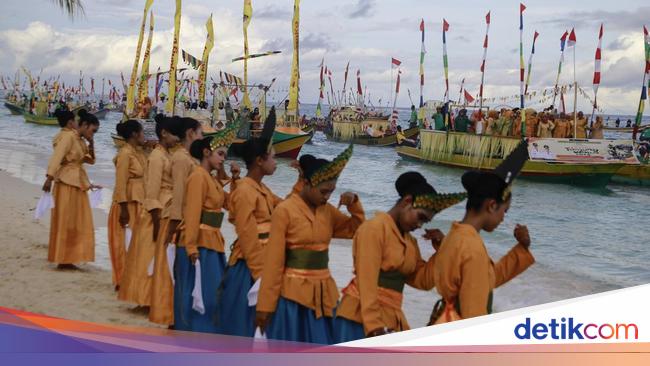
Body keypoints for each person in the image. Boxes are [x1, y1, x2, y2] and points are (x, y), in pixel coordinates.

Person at [335, 172, 466, 342]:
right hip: (359, 317)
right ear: (407, 202)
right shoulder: (374, 229)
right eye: (420, 217)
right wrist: (374, 327)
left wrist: (442, 250)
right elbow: (366, 281)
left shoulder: (410, 241)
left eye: (425, 222)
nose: (419, 225)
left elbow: (423, 281)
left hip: (390, 318)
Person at [255, 145, 365, 344]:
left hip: (324, 295)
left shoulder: (328, 211)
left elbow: (355, 229)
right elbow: (273, 263)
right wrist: (265, 305)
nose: (327, 197)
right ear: (306, 183)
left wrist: (354, 204)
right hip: (292, 295)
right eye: (323, 191)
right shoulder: (285, 211)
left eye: (331, 192)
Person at [430, 142, 535, 324]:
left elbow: (486, 279)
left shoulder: (455, 236)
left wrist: (522, 248)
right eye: (504, 211)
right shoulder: (472, 248)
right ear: (492, 206)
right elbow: (474, 314)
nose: (503, 218)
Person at [218, 112, 303, 337]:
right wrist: (260, 274)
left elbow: (286, 208)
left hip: (265, 261)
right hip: (250, 264)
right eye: (272, 157)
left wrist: (302, 181)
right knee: (243, 323)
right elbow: (246, 235)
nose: (276, 162)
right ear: (259, 161)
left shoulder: (263, 189)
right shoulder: (245, 191)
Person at [174, 124, 241, 333]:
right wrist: (191, 246)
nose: (223, 159)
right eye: (220, 154)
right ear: (206, 152)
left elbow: (230, 204)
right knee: (197, 291)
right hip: (199, 243)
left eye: (224, 155)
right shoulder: (197, 177)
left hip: (212, 241)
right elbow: (192, 214)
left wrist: (236, 181)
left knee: (211, 291)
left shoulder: (211, 179)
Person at [118, 116, 178, 308]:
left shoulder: (158, 153)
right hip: (153, 210)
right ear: (164, 133)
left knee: (154, 256)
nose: (176, 138)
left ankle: (154, 297)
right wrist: (124, 206)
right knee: (147, 254)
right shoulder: (155, 156)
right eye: (174, 134)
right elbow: (151, 190)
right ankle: (144, 298)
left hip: (158, 206)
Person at [149, 116, 202, 327]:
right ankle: (172, 317)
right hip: (176, 219)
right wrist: (173, 226)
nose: (202, 137)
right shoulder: (180, 158)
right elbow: (178, 194)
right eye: (200, 133)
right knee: (173, 270)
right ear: (190, 134)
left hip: (184, 217)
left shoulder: (187, 156)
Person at [43, 109, 100, 270]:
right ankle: (63, 258)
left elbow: (90, 160)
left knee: (77, 220)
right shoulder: (68, 137)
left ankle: (70, 257)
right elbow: (58, 156)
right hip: (66, 181)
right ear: (85, 125)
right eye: (92, 130)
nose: (93, 133)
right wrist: (49, 177)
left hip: (77, 181)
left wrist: (92, 142)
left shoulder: (79, 139)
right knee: (66, 220)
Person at [108, 120, 147, 290]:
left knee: (137, 242)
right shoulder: (125, 154)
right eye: (142, 132)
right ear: (134, 134)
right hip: (127, 204)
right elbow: (120, 182)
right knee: (124, 242)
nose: (144, 136)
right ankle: (121, 279)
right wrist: (123, 208)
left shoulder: (137, 152)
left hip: (139, 201)